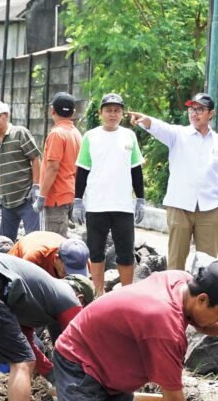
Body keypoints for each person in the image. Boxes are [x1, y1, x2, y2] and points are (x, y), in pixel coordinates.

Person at [53, 262, 218, 400]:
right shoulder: (164, 328)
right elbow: (173, 396)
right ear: (202, 299)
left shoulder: (181, 281)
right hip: (80, 363)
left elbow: (201, 324)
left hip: (108, 365)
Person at [0, 252, 94, 401]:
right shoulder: (71, 299)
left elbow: (27, 342)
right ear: (81, 299)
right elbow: (80, 349)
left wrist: (52, 376)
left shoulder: (40, 293)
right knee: (23, 361)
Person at [129, 92, 218, 270]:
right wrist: (145, 120)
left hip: (210, 207)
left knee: (207, 263)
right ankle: (174, 294)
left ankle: (203, 295)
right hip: (180, 205)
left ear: (211, 114)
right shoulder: (178, 134)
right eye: (192, 108)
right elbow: (160, 127)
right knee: (176, 259)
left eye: (200, 109)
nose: (194, 113)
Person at [75, 93, 145, 296]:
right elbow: (83, 170)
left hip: (123, 205)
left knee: (125, 253)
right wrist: (78, 199)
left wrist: (140, 198)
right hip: (97, 204)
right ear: (101, 113)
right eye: (108, 110)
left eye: (117, 110)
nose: (113, 114)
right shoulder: (91, 136)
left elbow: (136, 170)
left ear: (122, 113)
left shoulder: (129, 136)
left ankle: (126, 294)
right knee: (96, 252)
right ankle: (98, 293)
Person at [0, 101, 42, 241]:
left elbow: (35, 159)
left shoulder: (20, 133)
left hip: (27, 199)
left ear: (6, 115)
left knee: (34, 241)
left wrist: (36, 186)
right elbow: (0, 169)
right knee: (4, 243)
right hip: (7, 202)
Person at [33, 92, 82, 236]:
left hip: (55, 197)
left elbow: (53, 167)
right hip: (69, 193)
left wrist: (42, 196)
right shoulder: (76, 133)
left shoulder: (56, 134)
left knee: (54, 244)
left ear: (52, 110)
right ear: (73, 112)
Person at [9, 231, 90, 278]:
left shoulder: (81, 259)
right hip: (18, 262)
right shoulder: (35, 257)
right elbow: (22, 283)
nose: (69, 277)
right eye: (66, 272)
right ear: (56, 258)